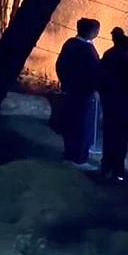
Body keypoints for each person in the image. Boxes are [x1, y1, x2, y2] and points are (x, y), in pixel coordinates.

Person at [98, 27, 128, 181]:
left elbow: (101, 78)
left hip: (111, 107)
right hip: (124, 110)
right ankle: (117, 170)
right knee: (121, 141)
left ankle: (106, 168)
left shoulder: (109, 55)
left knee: (110, 138)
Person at [55, 17, 101, 169]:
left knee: (71, 122)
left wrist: (65, 83)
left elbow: (60, 65)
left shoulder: (70, 44)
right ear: (90, 31)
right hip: (83, 92)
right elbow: (94, 72)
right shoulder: (86, 50)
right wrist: (95, 87)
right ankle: (79, 158)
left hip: (72, 90)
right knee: (82, 124)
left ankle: (70, 154)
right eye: (96, 30)